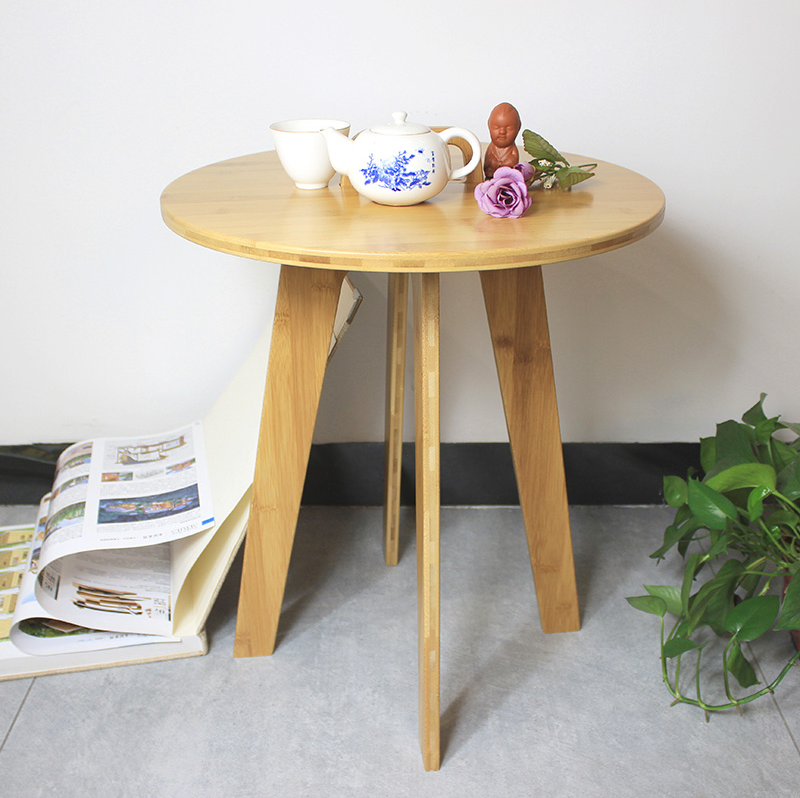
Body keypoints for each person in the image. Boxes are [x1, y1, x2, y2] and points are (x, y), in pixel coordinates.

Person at [484, 102, 522, 178]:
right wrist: (493, 162)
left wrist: (504, 163)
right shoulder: (491, 148)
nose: (502, 132)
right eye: (496, 128)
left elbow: (513, 162)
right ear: (489, 126)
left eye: (509, 129)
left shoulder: (512, 149)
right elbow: (487, 163)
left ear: (518, 127)